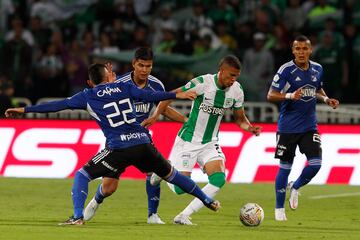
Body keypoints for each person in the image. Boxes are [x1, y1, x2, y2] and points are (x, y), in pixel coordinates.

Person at [5, 63, 220, 225]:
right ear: (109, 77)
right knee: (172, 175)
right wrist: (176, 94)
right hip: (144, 143)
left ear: (90, 82)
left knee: (82, 175)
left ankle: (78, 217)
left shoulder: (87, 95)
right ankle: (206, 199)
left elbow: (56, 106)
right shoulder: (124, 88)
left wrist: (24, 110)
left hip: (118, 147)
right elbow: (149, 95)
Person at [146, 55, 262, 225]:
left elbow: (240, 119)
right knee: (180, 189)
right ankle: (162, 172)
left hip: (210, 142)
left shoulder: (237, 90)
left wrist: (250, 128)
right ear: (221, 71)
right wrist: (156, 116)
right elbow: (169, 97)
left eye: (236, 76)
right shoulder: (202, 82)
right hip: (189, 140)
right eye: (230, 75)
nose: (233, 80)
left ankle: (183, 215)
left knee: (219, 179)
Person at [84, 47, 187, 224]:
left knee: (155, 172)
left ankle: (152, 215)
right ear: (133, 64)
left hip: (142, 139)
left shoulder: (156, 85)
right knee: (109, 188)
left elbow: (163, 109)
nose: (145, 70)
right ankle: (96, 201)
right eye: (141, 65)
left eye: (149, 66)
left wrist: (186, 121)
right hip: (120, 140)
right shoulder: (121, 83)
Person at [267, 35, 339, 221]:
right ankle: (279, 210)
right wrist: (290, 96)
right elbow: (271, 95)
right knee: (285, 167)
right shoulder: (286, 70)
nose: (301, 52)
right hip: (288, 128)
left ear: (310, 50)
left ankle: (296, 186)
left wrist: (325, 99)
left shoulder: (317, 68)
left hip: (309, 126)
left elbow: (317, 89)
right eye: (297, 49)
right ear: (292, 50)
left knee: (316, 164)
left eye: (304, 49)